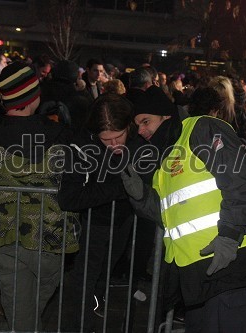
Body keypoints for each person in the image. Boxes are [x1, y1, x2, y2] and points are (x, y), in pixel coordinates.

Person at [121, 85, 246, 333]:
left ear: (165, 116)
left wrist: (229, 235)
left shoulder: (202, 128)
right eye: (137, 125)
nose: (141, 130)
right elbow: (167, 216)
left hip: (231, 261)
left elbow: (241, 180)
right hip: (198, 273)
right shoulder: (168, 157)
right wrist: (140, 196)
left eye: (145, 121)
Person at [0, 62, 79, 331]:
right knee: (31, 307)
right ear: (36, 96)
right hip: (52, 236)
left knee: (20, 309)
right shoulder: (62, 135)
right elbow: (78, 182)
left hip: (5, 234)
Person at [58, 93, 143, 332]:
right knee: (83, 281)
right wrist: (118, 188)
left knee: (104, 274)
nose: (115, 144)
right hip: (92, 225)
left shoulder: (138, 142)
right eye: (107, 140)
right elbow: (69, 197)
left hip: (123, 221)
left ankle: (96, 306)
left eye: (119, 137)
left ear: (129, 126)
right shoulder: (82, 146)